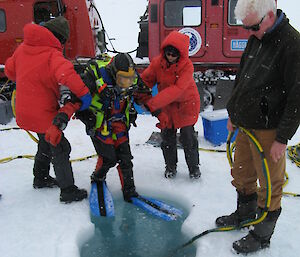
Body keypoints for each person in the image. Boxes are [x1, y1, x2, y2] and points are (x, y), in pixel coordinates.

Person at [215, 0, 300, 254]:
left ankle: (262, 234)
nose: (249, 33)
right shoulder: (256, 37)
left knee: (270, 184)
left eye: (253, 27)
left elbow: (298, 96)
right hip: (245, 125)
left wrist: (282, 138)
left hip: (269, 130)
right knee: (241, 173)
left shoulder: (293, 44)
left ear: (270, 15)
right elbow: (242, 77)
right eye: (246, 28)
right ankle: (244, 213)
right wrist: (233, 112)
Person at [5, 16, 92, 203]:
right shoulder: (52, 55)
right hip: (43, 113)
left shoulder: (23, 49)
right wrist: (84, 95)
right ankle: (68, 190)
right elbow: (68, 75)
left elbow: (10, 72)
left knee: (45, 143)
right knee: (60, 146)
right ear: (59, 38)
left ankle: (41, 177)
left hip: (23, 111)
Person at [78, 53, 145, 202]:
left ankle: (129, 191)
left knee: (125, 158)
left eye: (130, 78)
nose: (126, 83)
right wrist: (86, 117)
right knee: (109, 158)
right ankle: (98, 177)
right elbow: (77, 100)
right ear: (114, 73)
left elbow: (143, 92)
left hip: (119, 120)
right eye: (123, 79)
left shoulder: (131, 77)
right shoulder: (93, 78)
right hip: (100, 123)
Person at [140, 31, 201, 179]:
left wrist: (153, 104)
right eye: (168, 53)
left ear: (181, 55)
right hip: (167, 105)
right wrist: (139, 91)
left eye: (174, 54)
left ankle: (194, 168)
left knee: (188, 137)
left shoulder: (187, 67)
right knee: (167, 137)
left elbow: (177, 90)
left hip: (187, 104)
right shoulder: (157, 63)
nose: (170, 57)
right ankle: (170, 167)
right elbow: (146, 80)